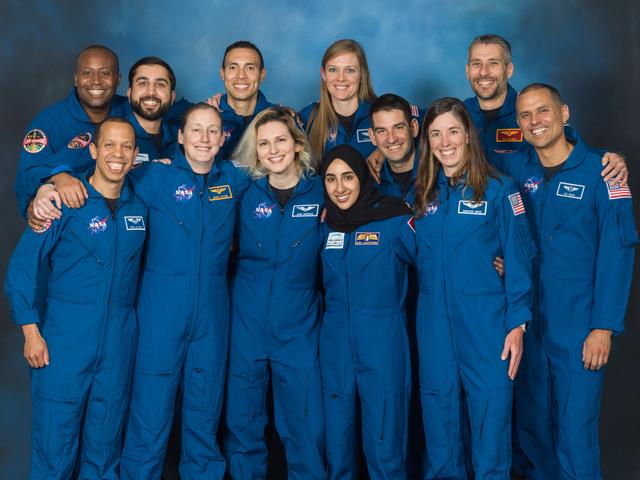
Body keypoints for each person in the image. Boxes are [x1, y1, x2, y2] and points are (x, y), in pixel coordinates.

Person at [507, 84, 638, 480]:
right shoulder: (516, 170)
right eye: (525, 115)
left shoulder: (603, 172)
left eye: (543, 111)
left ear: (564, 113)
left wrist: (604, 327)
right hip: (530, 326)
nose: (534, 121)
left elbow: (618, 253)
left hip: (579, 327)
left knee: (574, 434)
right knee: (533, 431)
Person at [5, 117, 146, 479]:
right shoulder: (62, 202)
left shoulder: (139, 209)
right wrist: (30, 331)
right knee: (54, 451)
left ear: (135, 155)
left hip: (118, 344)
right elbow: (21, 269)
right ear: (94, 151)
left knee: (104, 453)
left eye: (126, 147)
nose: (118, 154)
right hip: (65, 341)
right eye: (109, 145)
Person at [120, 103, 250, 479]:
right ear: (180, 136)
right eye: (196, 130)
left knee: (204, 413)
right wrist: (55, 182)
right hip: (161, 308)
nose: (204, 139)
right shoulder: (152, 176)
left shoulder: (234, 178)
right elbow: (100, 176)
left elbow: (285, 173)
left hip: (212, 310)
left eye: (213, 131)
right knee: (150, 412)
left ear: (223, 138)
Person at [409, 97, 536, 479]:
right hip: (435, 329)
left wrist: (518, 324)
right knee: (440, 426)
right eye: (436, 134)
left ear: (468, 135)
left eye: (453, 131)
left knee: (489, 426)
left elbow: (519, 260)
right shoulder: (422, 195)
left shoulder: (500, 190)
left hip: (486, 328)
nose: (445, 142)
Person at [224, 106, 325, 479]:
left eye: (280, 140)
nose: (273, 150)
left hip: (299, 324)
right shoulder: (244, 192)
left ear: (297, 144)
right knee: (243, 426)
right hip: (246, 322)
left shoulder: (323, 192)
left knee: (305, 428)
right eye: (263, 144)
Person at [320, 144, 414, 478]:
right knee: (337, 442)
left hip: (383, 340)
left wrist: (492, 261)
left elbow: (438, 259)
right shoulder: (325, 224)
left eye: (348, 177)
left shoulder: (394, 219)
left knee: (384, 441)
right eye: (331, 179)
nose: (340, 188)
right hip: (335, 343)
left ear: (362, 177)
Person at [463, 34, 627, 182]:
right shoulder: (459, 114)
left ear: (509, 70)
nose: (483, 72)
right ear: (468, 70)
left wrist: (610, 158)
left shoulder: (531, 110)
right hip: (471, 202)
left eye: (493, 63)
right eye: (476, 64)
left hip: (529, 201)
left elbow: (570, 148)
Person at [15, 45, 128, 216]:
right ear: (76, 78)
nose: (96, 81)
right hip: (73, 217)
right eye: (87, 73)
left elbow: (163, 113)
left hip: (126, 213)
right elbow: (27, 174)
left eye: (105, 73)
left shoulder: (132, 111)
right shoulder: (48, 122)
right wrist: (57, 177)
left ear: (118, 79)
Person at [298, 39, 380, 161]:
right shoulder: (309, 116)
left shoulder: (380, 112)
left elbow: (409, 130)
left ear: (362, 74)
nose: (341, 78)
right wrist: (284, 113)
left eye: (349, 70)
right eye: (333, 70)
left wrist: (385, 152)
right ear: (323, 74)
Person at [216, 41, 275, 160]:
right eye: (233, 67)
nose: (241, 75)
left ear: (262, 74)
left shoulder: (281, 118)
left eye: (250, 68)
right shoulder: (203, 118)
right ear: (222, 73)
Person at [368, 93, 421, 204]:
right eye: (382, 131)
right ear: (372, 136)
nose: (391, 139)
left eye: (398, 128)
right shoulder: (369, 184)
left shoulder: (437, 173)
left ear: (413, 128)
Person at [126, 56, 179, 164]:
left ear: (172, 96)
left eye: (160, 84)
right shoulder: (110, 135)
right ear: (129, 93)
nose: (151, 92)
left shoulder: (184, 138)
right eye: (142, 83)